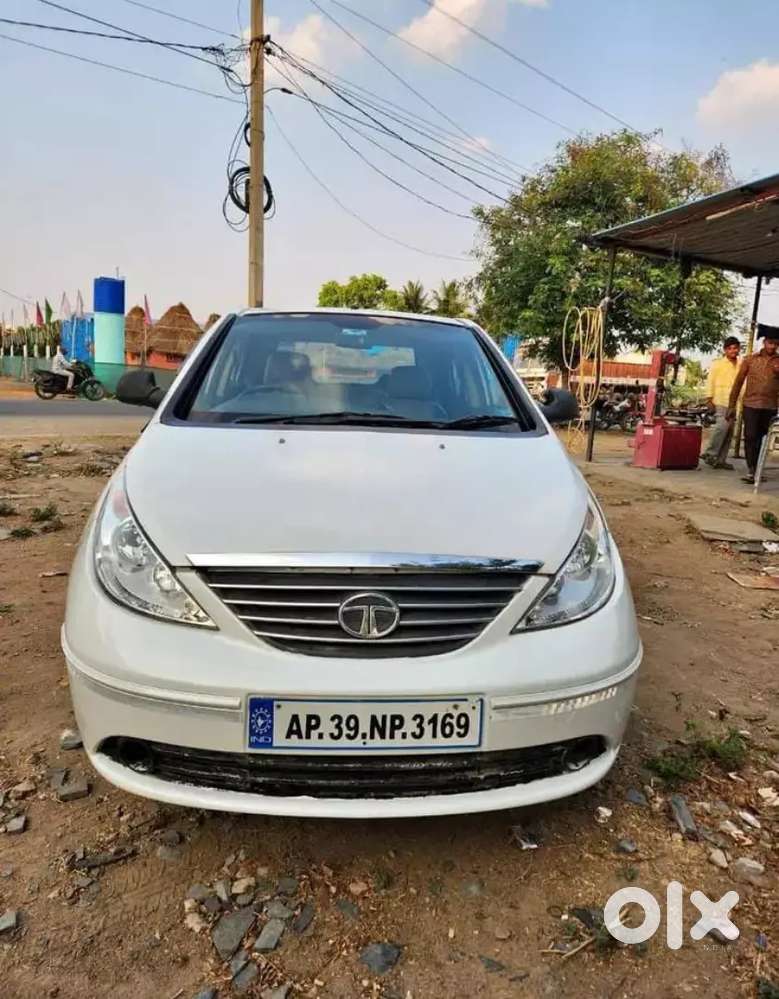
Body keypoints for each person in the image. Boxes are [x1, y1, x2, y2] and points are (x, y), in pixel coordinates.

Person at [727, 325, 779, 484]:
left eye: (776, 344)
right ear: (764, 342)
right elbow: (738, 382)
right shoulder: (750, 359)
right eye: (770, 342)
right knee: (750, 436)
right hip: (750, 404)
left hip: (770, 406)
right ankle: (751, 470)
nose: (772, 346)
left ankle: (757, 469)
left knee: (762, 439)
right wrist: (731, 405)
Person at [702, 336, 741, 469]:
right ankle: (710, 453)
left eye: (735, 348)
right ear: (725, 350)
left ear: (739, 349)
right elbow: (710, 381)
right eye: (730, 348)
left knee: (729, 431)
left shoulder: (741, 364)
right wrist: (709, 399)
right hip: (720, 399)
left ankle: (720, 460)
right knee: (722, 427)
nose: (733, 351)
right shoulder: (717, 363)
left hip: (735, 402)